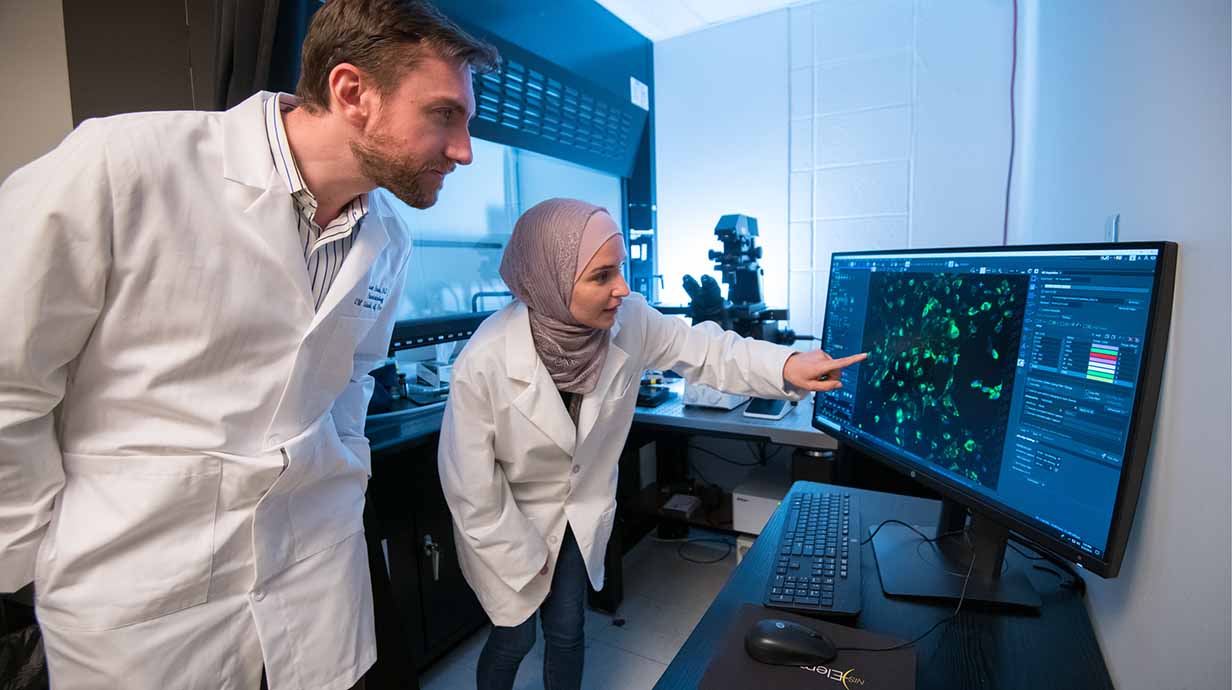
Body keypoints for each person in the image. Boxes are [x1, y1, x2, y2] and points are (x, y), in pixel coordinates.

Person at [0, 1, 497, 688]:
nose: (464, 149)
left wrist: (344, 472)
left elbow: (351, 382)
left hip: (314, 577)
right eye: (445, 114)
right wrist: (26, 559)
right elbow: (9, 379)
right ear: (352, 92)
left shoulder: (388, 238)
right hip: (140, 603)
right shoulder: (122, 167)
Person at [438, 198, 867, 690]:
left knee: (567, 629)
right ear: (550, 279)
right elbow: (470, 488)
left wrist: (786, 366)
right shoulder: (484, 361)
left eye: (620, 269)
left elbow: (705, 350)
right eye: (602, 277)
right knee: (515, 639)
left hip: (576, 514)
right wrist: (525, 558)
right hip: (506, 522)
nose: (623, 288)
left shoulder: (631, 321)